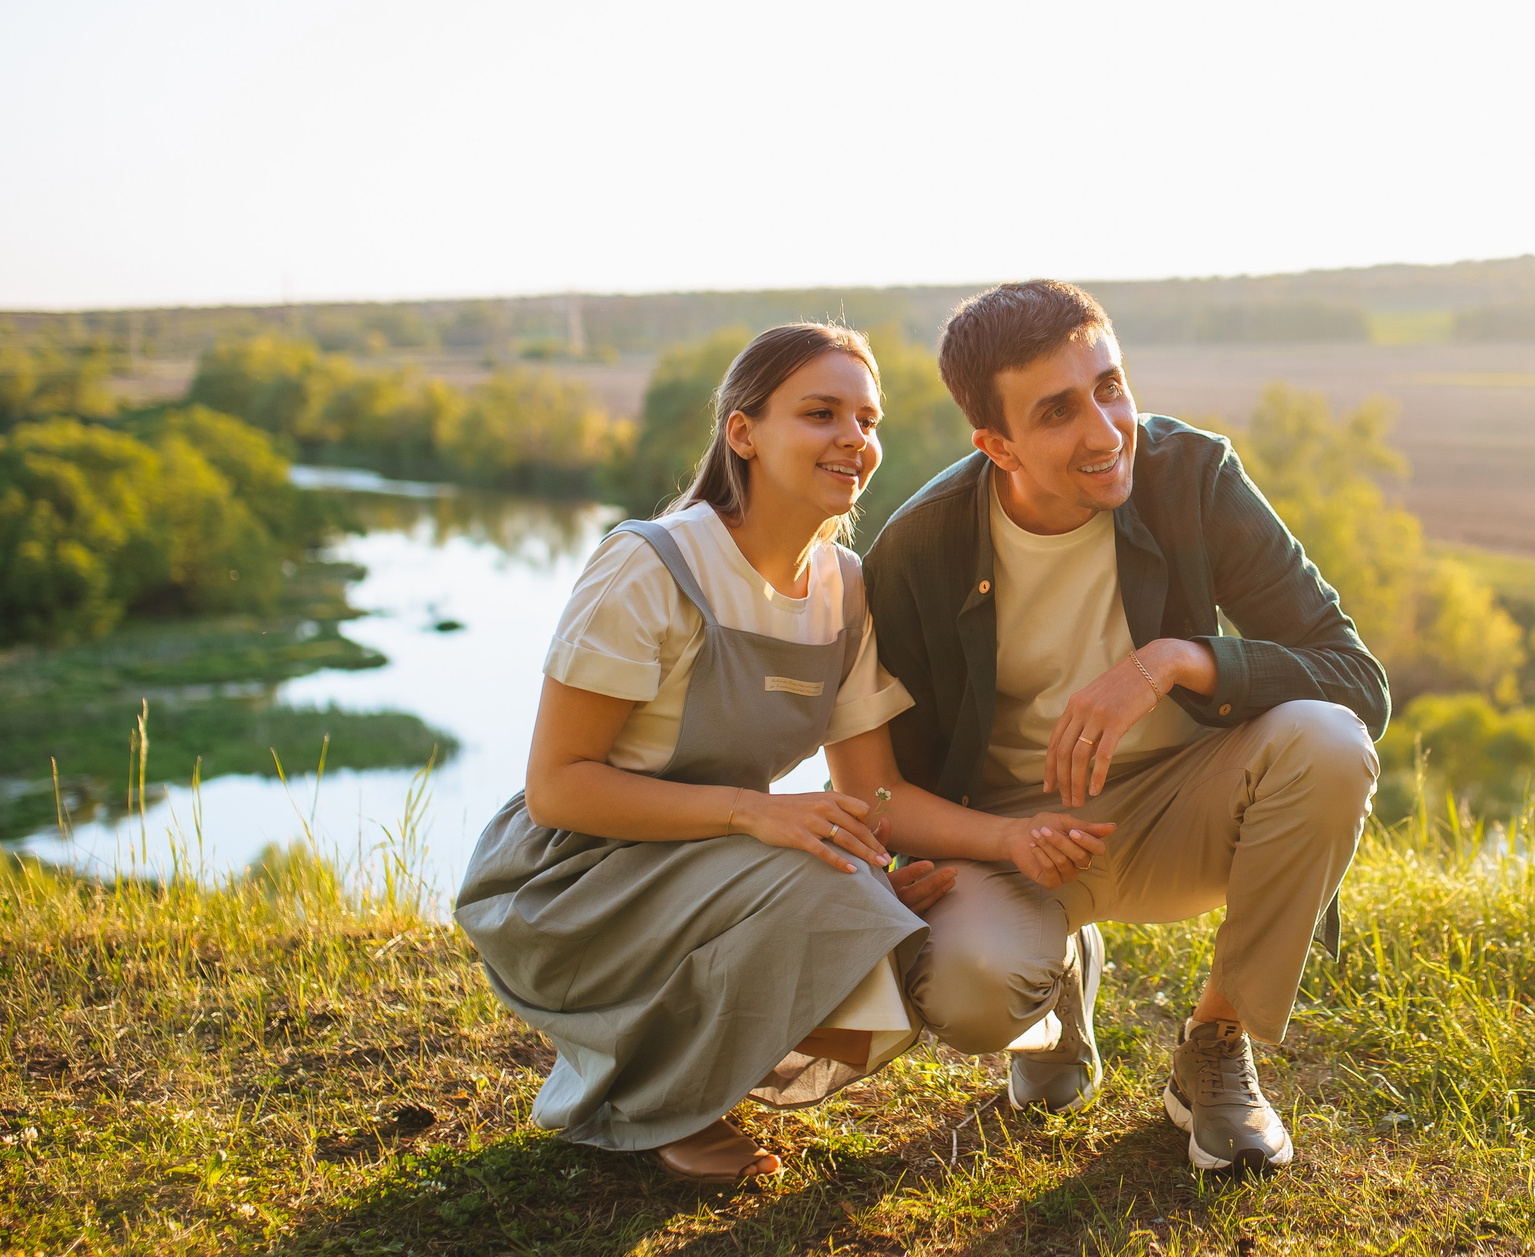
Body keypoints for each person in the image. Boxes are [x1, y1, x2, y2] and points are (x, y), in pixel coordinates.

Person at [456, 322, 1102, 1183]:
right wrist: (756, 812)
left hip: (715, 864)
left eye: (868, 419)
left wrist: (1005, 845)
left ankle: (1054, 973)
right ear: (744, 433)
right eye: (821, 412)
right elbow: (557, 789)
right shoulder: (650, 566)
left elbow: (875, 795)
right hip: (577, 877)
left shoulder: (844, 585)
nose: (854, 439)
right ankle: (664, 1101)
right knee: (825, 882)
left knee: (893, 922)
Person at [863, 280, 1386, 1172]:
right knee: (968, 991)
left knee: (1332, 744)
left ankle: (1215, 1046)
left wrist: (1179, 659)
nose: (1106, 430)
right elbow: (888, 784)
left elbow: (1356, 678)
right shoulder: (920, 548)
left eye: (1110, 385)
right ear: (996, 443)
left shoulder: (1192, 475)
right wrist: (914, 863)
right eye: (1058, 411)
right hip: (1019, 837)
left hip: (1193, 805)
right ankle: (1058, 974)